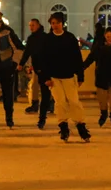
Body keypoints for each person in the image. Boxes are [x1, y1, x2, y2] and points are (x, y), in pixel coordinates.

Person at [39, 11, 91, 142]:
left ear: (62, 24)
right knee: (60, 102)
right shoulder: (47, 39)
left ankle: (81, 126)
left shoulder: (70, 38)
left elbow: (77, 58)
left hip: (68, 75)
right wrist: (46, 78)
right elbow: (43, 59)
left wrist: (80, 75)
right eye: (53, 23)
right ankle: (63, 126)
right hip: (54, 77)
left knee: (74, 101)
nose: (55, 25)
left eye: (57, 23)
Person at [83, 26, 111, 127]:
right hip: (102, 76)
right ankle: (104, 114)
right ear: (105, 36)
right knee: (102, 98)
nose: (110, 39)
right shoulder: (98, 47)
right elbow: (91, 58)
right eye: (108, 36)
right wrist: (82, 67)